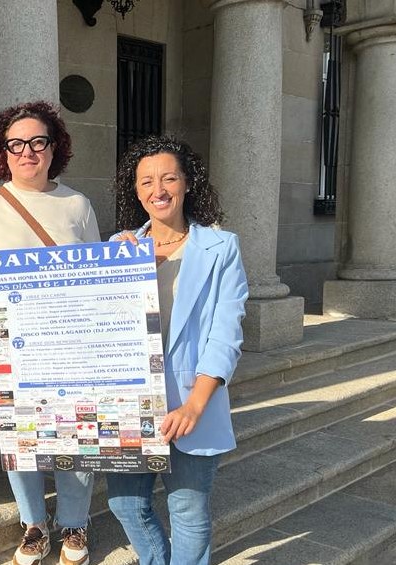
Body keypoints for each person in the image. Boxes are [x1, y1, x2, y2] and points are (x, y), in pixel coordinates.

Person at [0, 101, 99, 565]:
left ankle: (75, 522)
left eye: (38, 142)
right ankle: (34, 523)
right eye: (16, 144)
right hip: (1, 343)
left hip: (66, 342)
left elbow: (97, 279)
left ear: (54, 148)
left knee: (74, 430)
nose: (27, 152)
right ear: (3, 153)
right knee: (18, 435)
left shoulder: (77, 205)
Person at [105, 136, 248, 565]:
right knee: (125, 504)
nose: (158, 190)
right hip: (130, 406)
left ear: (187, 183)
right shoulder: (119, 248)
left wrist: (194, 405)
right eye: (146, 181)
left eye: (169, 178)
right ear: (135, 190)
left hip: (191, 402)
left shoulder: (221, 248)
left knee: (187, 510)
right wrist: (121, 270)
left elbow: (225, 335)